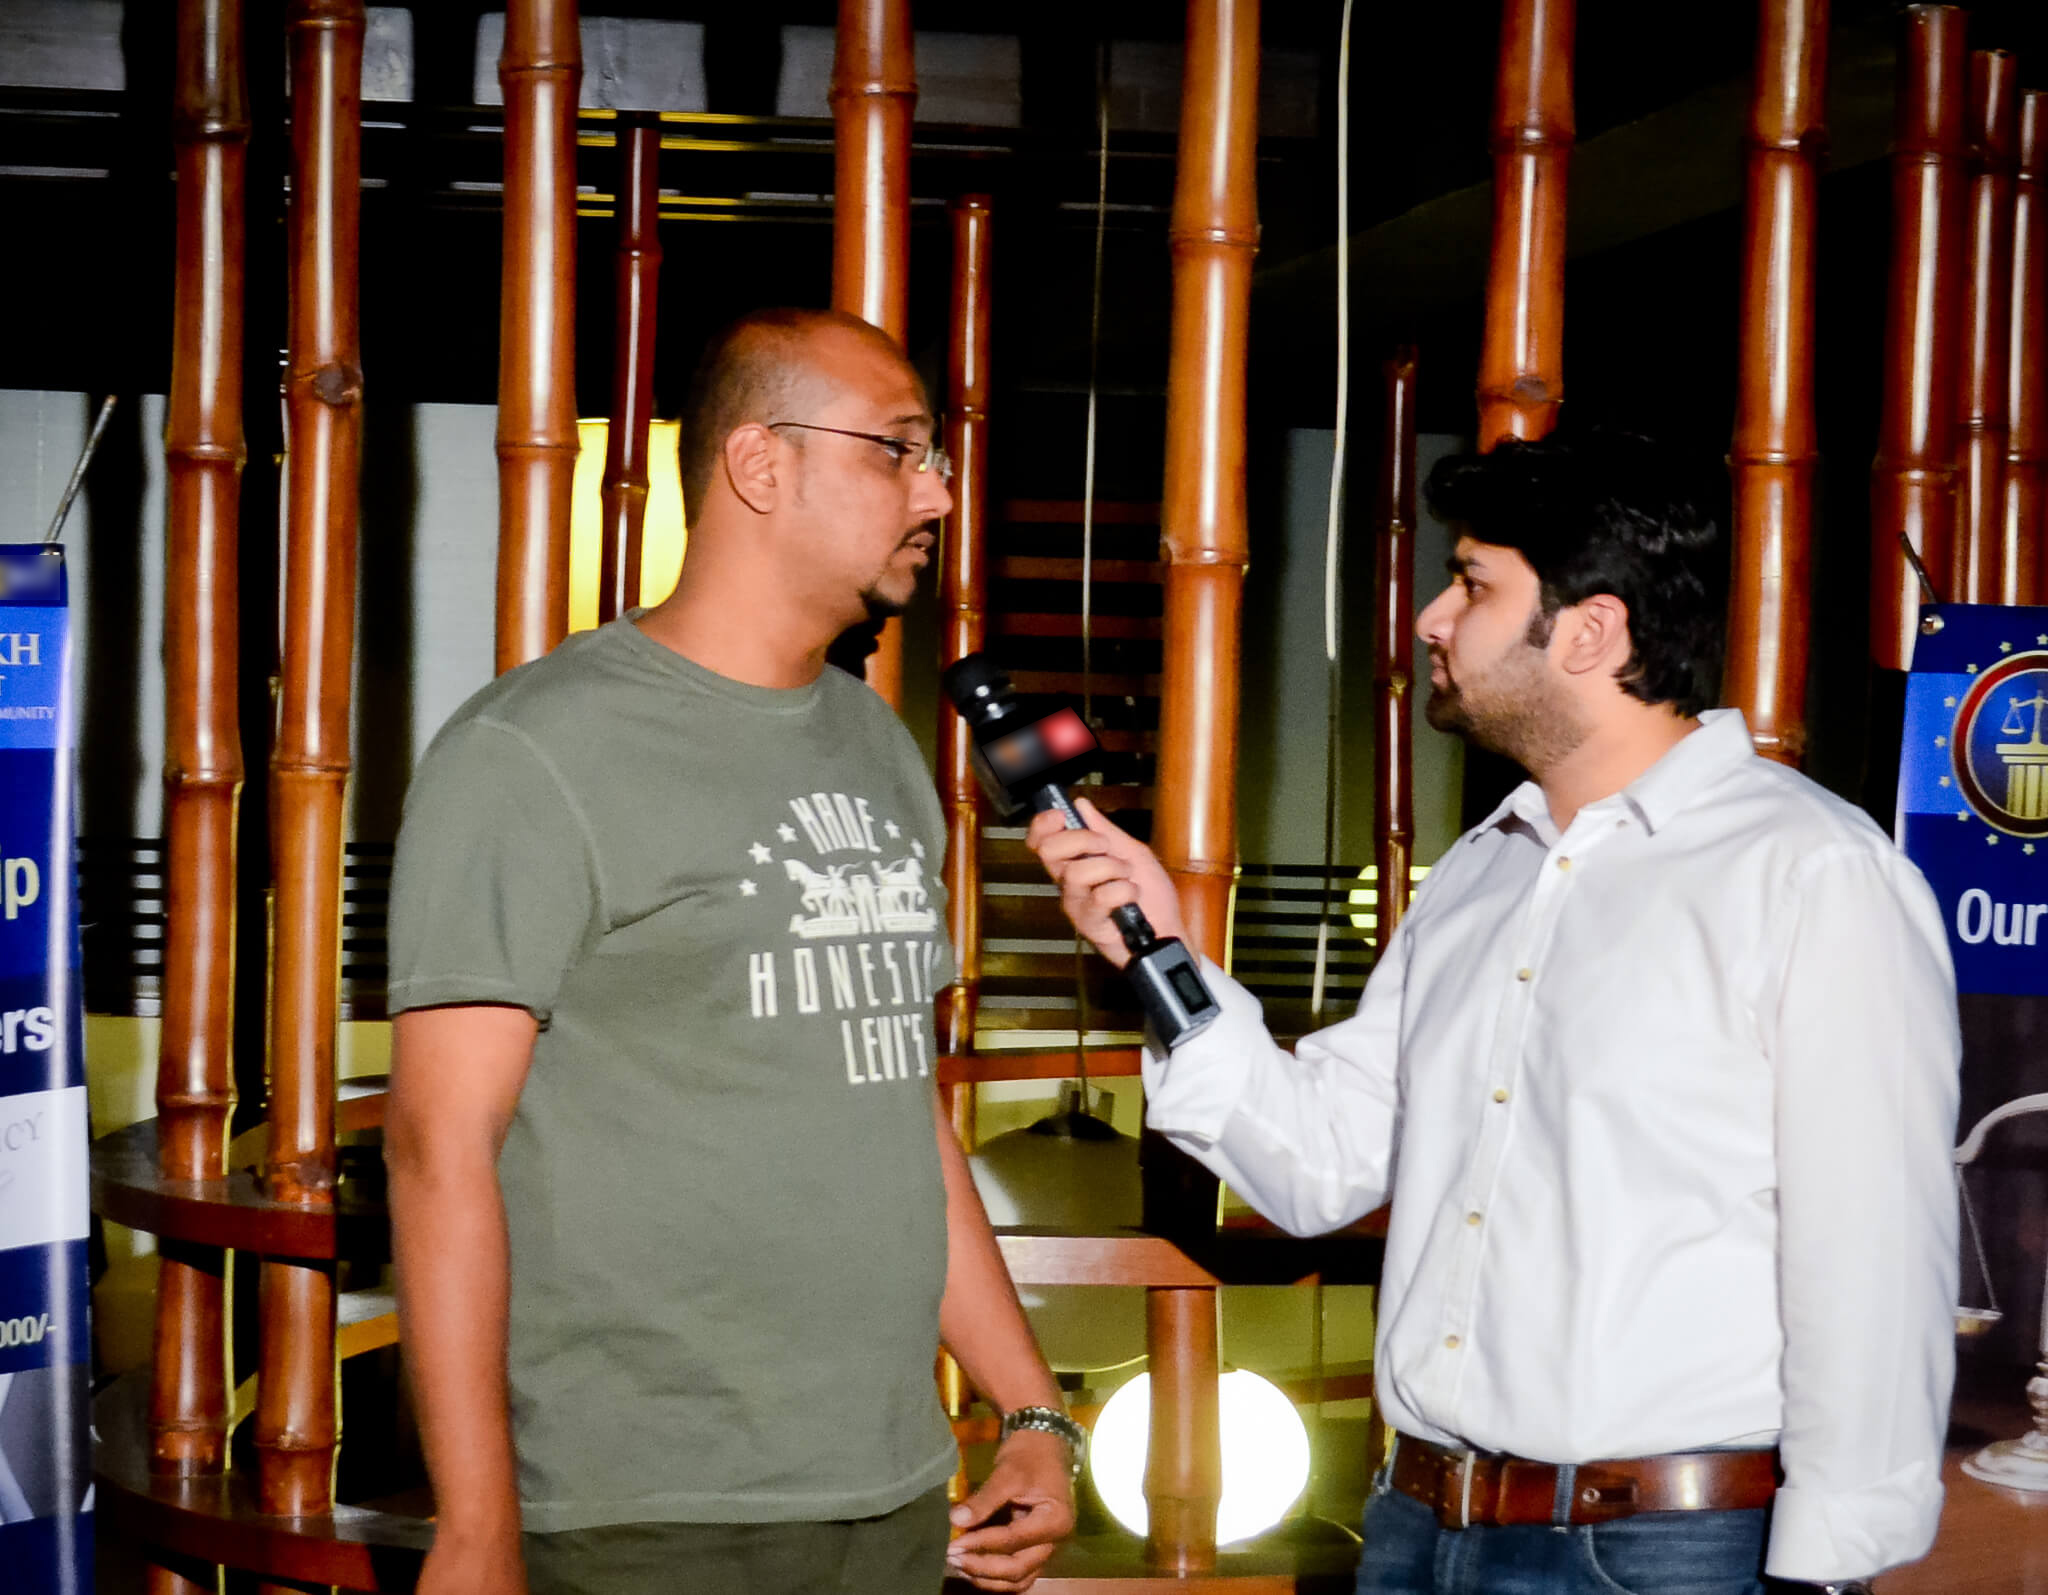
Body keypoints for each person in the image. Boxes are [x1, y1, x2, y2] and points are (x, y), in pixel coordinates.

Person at [1029, 429, 1960, 1595]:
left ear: (1590, 630)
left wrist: (1826, 1569)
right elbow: (1320, 1159)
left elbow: (1871, 1253)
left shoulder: (1812, 873)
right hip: (1417, 1526)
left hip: (1665, 1552)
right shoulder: (1480, 871)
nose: (1429, 616)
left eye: (1471, 582)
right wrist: (1158, 953)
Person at [385, 308, 1080, 1595]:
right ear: (760, 465)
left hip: (888, 1493)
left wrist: (1029, 1409)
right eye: (898, 450)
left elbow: (899, 1113)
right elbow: (436, 1148)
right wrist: (477, 1529)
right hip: (647, 1508)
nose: (935, 491)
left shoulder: (877, 747)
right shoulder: (533, 752)